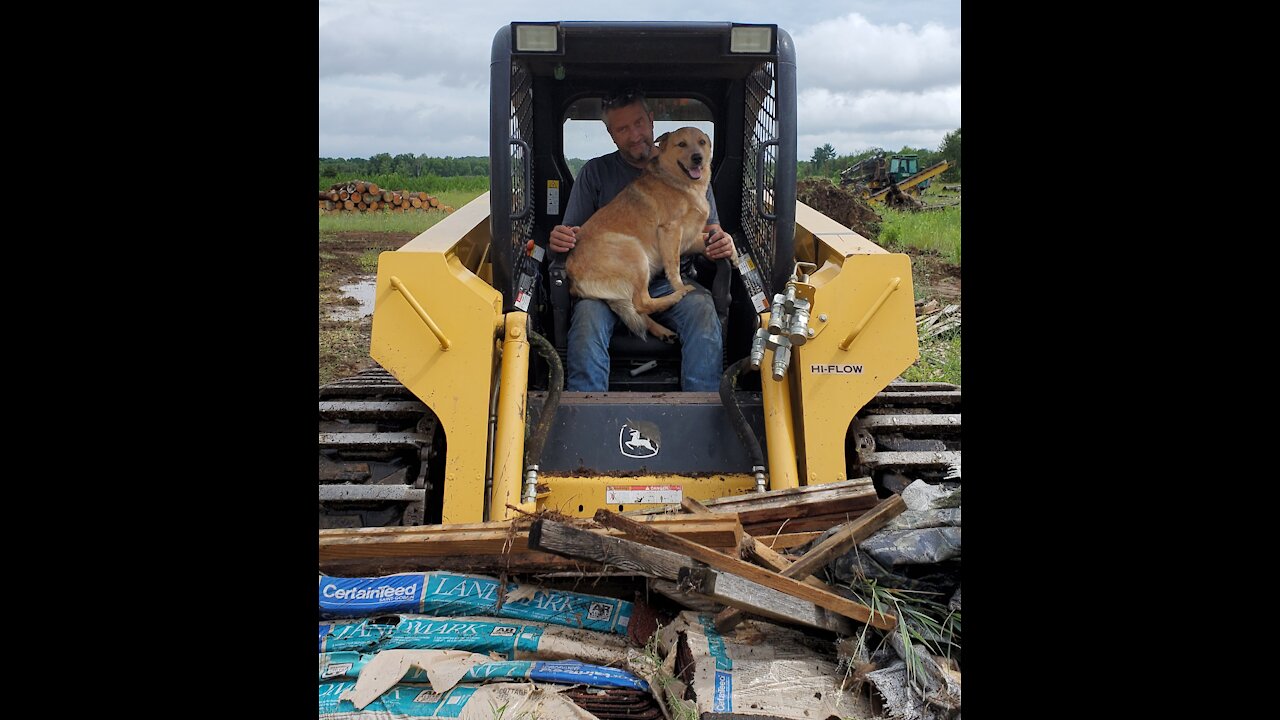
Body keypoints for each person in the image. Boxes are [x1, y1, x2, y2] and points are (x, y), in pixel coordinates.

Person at [549, 86, 735, 392]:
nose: (634, 135)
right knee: (586, 322)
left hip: (670, 277)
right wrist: (561, 237)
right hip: (609, 278)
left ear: (651, 121)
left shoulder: (693, 172)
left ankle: (703, 410)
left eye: (638, 123)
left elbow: (709, 235)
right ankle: (587, 410)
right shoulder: (595, 173)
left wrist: (721, 244)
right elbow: (576, 235)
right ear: (611, 134)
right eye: (623, 128)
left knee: (703, 311)